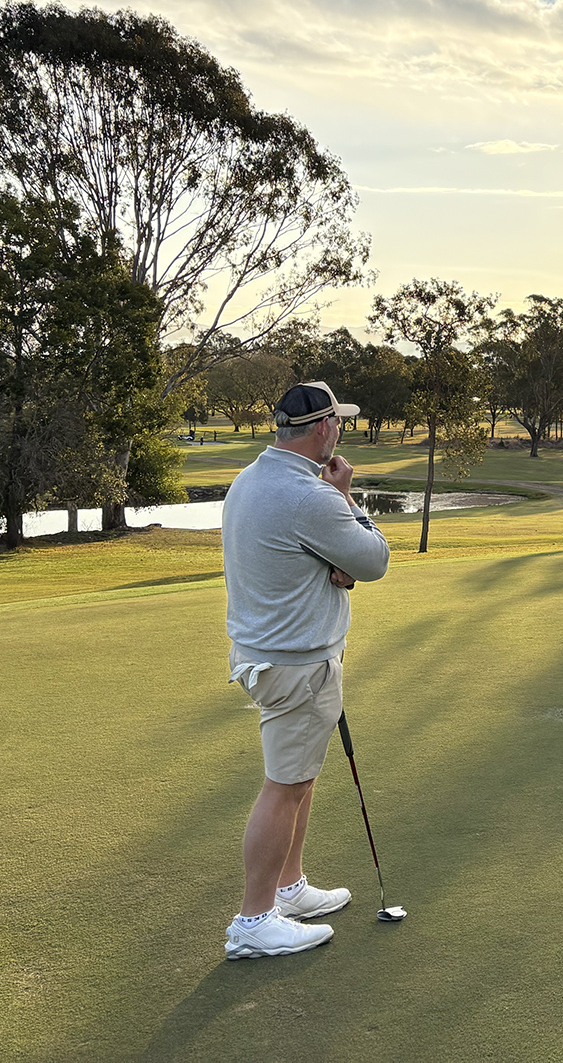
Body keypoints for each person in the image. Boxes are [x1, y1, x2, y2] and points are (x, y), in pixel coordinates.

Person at [222, 381, 392, 959]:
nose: (340, 431)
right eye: (338, 422)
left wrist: (334, 565)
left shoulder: (250, 479)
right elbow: (374, 559)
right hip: (298, 664)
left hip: (266, 655)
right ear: (323, 428)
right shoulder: (310, 496)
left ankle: (288, 887)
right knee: (285, 786)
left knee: (299, 780)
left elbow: (310, 562)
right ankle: (253, 920)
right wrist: (346, 498)